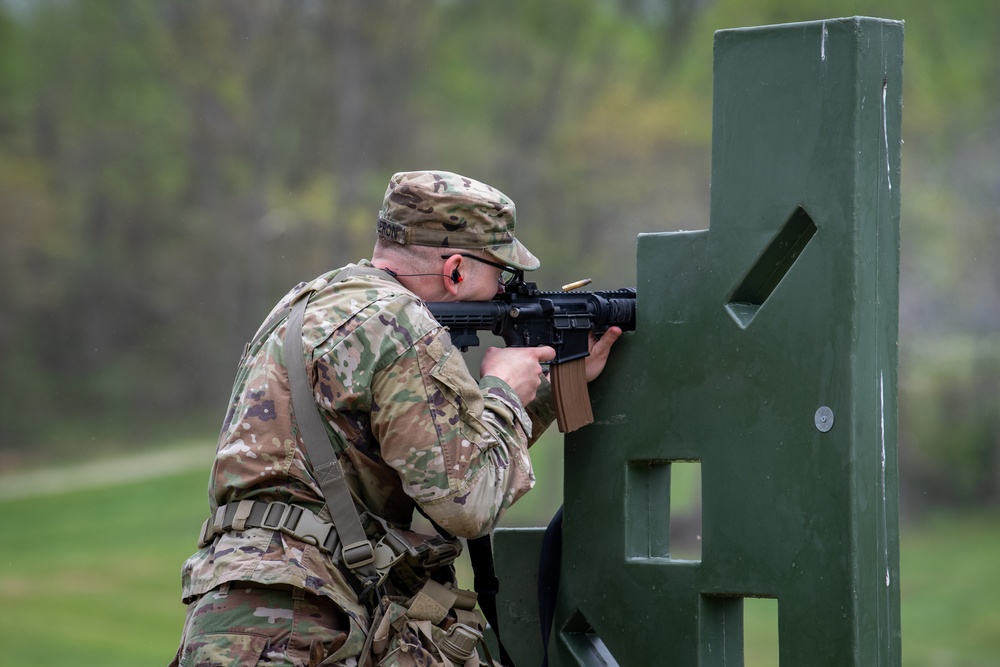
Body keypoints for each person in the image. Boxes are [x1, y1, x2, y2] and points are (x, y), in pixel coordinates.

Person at [170, 170, 622, 666]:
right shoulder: (403, 324)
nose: (505, 294)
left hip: (236, 613)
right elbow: (464, 503)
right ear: (455, 270)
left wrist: (548, 395)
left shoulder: (304, 303)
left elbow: (425, 460)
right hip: (304, 628)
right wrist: (504, 393)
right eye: (501, 275)